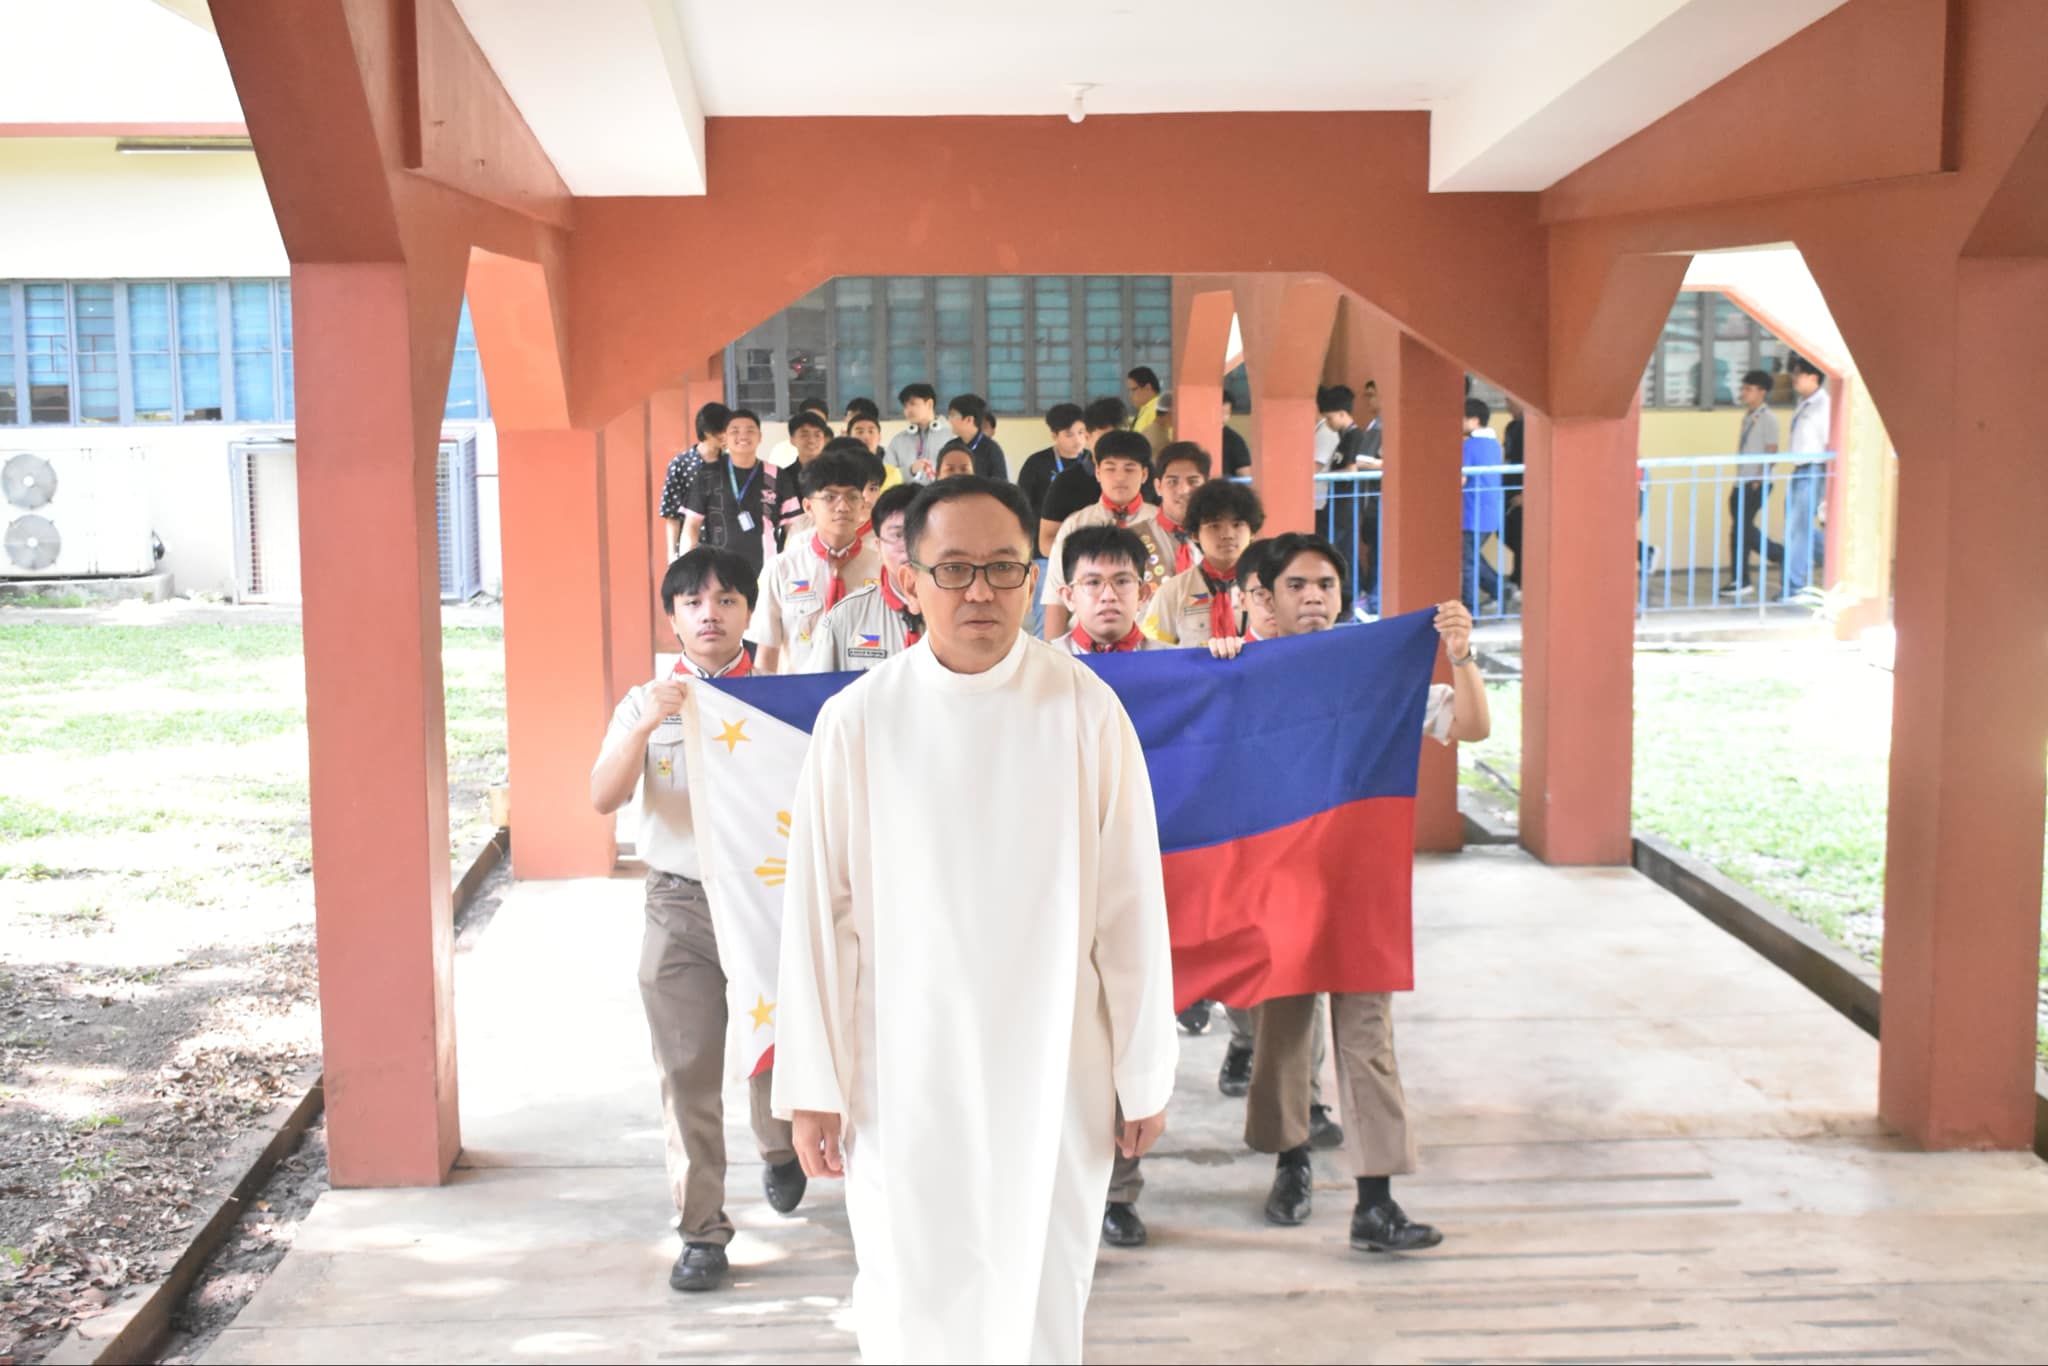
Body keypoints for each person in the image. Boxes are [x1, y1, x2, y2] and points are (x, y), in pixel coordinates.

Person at [773, 476, 1178, 1363]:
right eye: (953, 570)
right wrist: (815, 1084)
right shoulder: (859, 721)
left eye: (1003, 568)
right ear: (908, 580)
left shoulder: (1084, 710)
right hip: (901, 1063)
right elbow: (819, 915)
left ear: (1035, 579)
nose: (981, 592)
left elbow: (1129, 904)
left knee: (1042, 1277)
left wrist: (1142, 1068)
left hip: (1056, 1058)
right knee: (910, 1283)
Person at [1219, 532, 1489, 1255]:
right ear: (1268, 601)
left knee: (1368, 1040)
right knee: (1284, 1039)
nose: (1314, 596)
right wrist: (1219, 666)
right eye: (1298, 585)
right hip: (1282, 887)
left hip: (1361, 887)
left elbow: (1472, 725)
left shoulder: (1381, 671)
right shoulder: (1252, 672)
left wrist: (1460, 656)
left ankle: (1376, 1200)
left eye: (1327, 585)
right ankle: (1291, 1162)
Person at [589, 546, 804, 1295]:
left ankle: (780, 1149)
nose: (709, 613)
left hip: (768, 897)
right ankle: (702, 1231)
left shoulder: (783, 698)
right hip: (678, 904)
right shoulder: (649, 700)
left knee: (773, 1043)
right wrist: (645, 726)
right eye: (692, 602)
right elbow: (602, 796)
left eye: (725, 600)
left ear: (749, 610)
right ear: (673, 617)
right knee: (687, 1070)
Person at [749, 452, 883, 674]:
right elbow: (766, 655)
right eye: (830, 498)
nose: (843, 507)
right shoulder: (781, 570)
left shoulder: (882, 568)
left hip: (864, 697)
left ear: (862, 504)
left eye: (852, 497)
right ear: (808, 507)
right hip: (801, 698)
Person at [1041, 431, 1176, 642]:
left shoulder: (1164, 525)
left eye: (1130, 468)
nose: (1120, 477)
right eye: (1110, 468)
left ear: (1145, 474)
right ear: (1097, 472)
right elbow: (1056, 600)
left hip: (1150, 646)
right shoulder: (1075, 525)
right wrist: (1052, 656)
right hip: (1086, 646)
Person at [804, 483, 923, 673]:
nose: (909, 545)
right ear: (878, 546)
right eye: (898, 535)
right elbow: (818, 693)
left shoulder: (962, 613)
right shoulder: (845, 616)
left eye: (920, 532)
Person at [1147, 478, 1259, 648]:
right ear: (1195, 534)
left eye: (1237, 525)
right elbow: (1154, 654)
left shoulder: (1268, 588)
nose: (1227, 534)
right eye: (1214, 526)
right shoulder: (1171, 593)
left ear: (1252, 531)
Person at [678, 408, 771, 582]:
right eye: (735, 431)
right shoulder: (707, 473)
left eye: (750, 430)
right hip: (719, 571)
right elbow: (690, 525)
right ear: (725, 438)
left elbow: (793, 529)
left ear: (760, 436)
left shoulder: (775, 475)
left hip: (766, 571)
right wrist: (685, 568)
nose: (743, 436)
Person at [1058, 524, 1167, 657]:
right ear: (1069, 597)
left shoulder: (1170, 662)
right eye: (1093, 582)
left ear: (1142, 594)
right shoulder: (1049, 661)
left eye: (1122, 581)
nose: (1108, 596)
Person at [1038, 396, 1127, 556]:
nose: (1112, 446)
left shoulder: (1143, 477)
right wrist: (1089, 557)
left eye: (1119, 438)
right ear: (1087, 437)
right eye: (1104, 439)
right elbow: (1046, 543)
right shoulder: (1066, 482)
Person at [1722, 368, 1784, 597]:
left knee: (1740, 530)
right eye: (1744, 388)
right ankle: (1778, 556)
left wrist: (1760, 477)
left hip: (1755, 482)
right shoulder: (1749, 416)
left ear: (1762, 392)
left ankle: (1742, 578)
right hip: (1742, 480)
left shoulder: (1768, 418)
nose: (1744, 393)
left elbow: (1772, 449)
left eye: (1749, 389)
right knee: (1742, 529)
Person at [1782, 355, 1831, 600]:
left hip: (1814, 469)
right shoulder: (1805, 403)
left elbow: (1829, 443)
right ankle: (1832, 557)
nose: (1793, 378)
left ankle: (1794, 585)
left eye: (1798, 374)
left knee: (1798, 529)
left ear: (1813, 377)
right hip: (1800, 469)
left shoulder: (1824, 406)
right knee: (1794, 526)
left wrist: (1826, 488)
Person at [659, 402, 729, 564]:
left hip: (726, 547)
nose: (725, 436)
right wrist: (672, 555)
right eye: (720, 431)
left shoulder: (731, 464)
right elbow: (671, 515)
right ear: (706, 432)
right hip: (692, 549)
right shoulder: (681, 464)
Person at [1460, 397, 1509, 612]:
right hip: (1490, 512)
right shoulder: (1495, 445)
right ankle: (1499, 588)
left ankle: (1471, 607)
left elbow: (1460, 479)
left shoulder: (1469, 446)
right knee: (1470, 556)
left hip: (1471, 511)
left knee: (1468, 561)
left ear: (1474, 420)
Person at [1017, 402, 1092, 526]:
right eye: (1069, 435)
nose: (1078, 440)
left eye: (1081, 432)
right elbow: (1023, 502)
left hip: (1084, 529)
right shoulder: (1036, 463)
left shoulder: (1093, 460)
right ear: (1054, 435)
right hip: (1046, 530)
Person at [772, 411, 834, 549]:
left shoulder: (836, 474)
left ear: (824, 439)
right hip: (793, 544)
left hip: (829, 542)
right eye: (804, 434)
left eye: (817, 435)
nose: (811, 440)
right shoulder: (782, 476)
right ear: (792, 440)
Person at [1149, 441, 1210, 578]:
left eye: (1193, 482)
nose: (1183, 490)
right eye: (1173, 482)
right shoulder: (1135, 538)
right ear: (1158, 487)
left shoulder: (1221, 538)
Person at [884, 382, 948, 485]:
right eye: (905, 406)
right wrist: (910, 471)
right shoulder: (898, 440)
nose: (908, 410)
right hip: (907, 498)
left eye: (913, 404)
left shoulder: (951, 436)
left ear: (929, 404)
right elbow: (886, 475)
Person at [945, 392, 1009, 481]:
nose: (949, 420)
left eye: (953, 415)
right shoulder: (950, 447)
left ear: (969, 419)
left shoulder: (991, 450)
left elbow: (1001, 486)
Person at [769, 396, 832, 468]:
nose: (812, 440)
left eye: (818, 421)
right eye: (808, 418)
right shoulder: (780, 450)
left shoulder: (834, 451)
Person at [1219, 390, 1253, 478]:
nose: (1221, 417)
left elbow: (1245, 475)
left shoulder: (1235, 440)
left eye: (1226, 413)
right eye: (1218, 411)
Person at [1125, 365, 1163, 436]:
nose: (1130, 395)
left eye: (1133, 390)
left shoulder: (1156, 410)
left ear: (1147, 388)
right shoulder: (1146, 409)